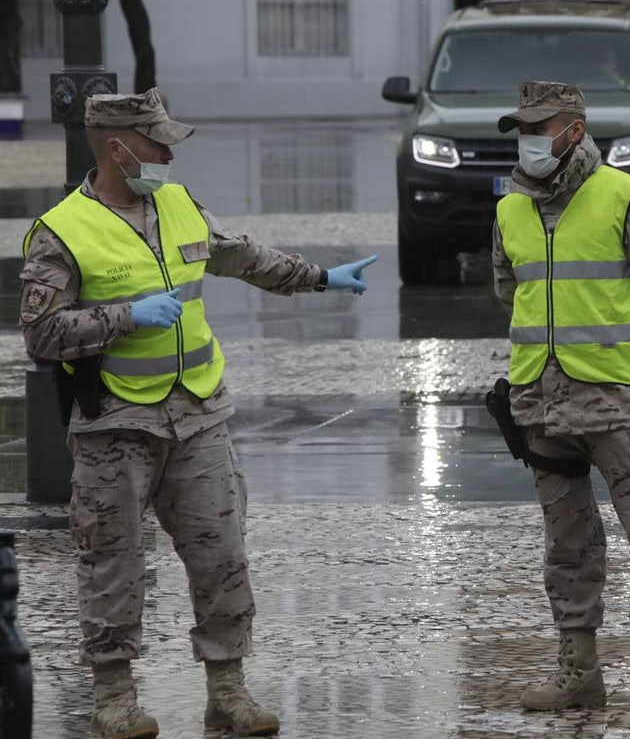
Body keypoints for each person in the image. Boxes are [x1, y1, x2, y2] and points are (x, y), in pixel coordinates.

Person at [18, 88, 376, 739]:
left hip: (197, 415)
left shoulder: (178, 205)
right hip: (115, 427)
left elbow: (243, 257)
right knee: (112, 561)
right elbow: (40, 334)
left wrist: (323, 276)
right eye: (156, 144)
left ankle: (227, 690)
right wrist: (125, 316)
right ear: (118, 148)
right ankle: (114, 697)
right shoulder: (62, 230)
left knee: (222, 554)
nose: (167, 154)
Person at [491, 81, 630, 715]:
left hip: (616, 405)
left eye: (540, 127)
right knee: (567, 544)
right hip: (542, 404)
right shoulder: (510, 207)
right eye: (523, 129)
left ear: (575, 131)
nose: (530, 140)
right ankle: (578, 672)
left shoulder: (628, 198)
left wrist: (624, 354)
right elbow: (511, 291)